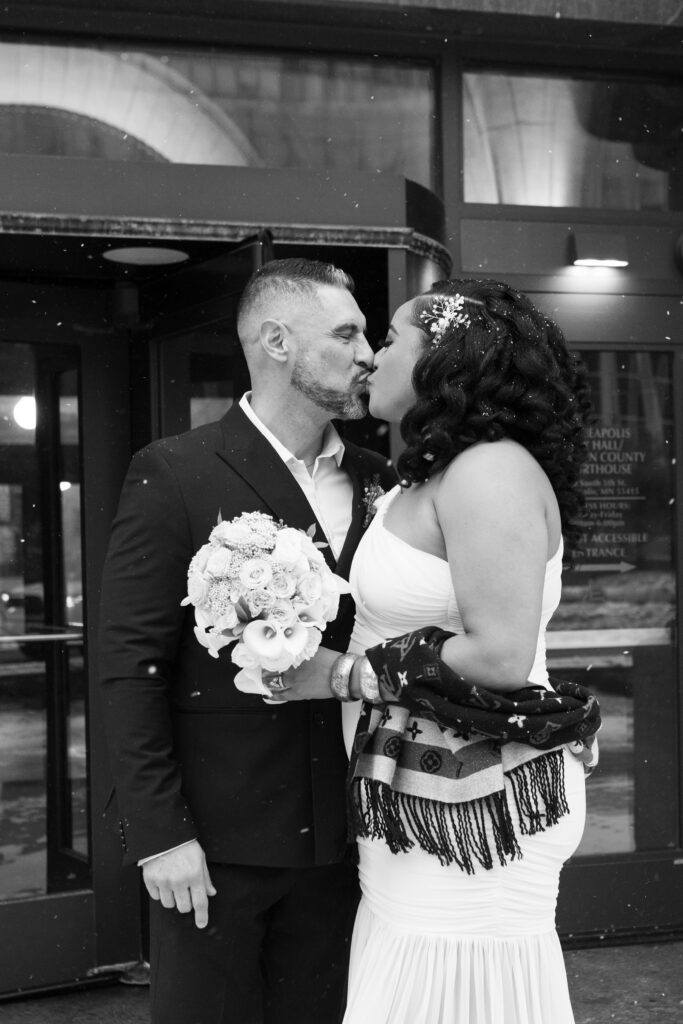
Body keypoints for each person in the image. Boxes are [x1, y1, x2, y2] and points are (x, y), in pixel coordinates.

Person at [274, 278, 600, 1024]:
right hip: (417, 791)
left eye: (389, 338)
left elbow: (500, 656)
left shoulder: (489, 471)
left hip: (476, 798)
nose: (370, 357)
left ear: (442, 361)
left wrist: (346, 676)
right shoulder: (427, 474)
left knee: (451, 989)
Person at [97, 257, 396, 1024]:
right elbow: (128, 669)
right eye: (347, 332)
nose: (368, 353)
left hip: (355, 838)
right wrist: (161, 836)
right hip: (217, 845)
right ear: (276, 341)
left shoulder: (379, 479)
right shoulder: (175, 472)